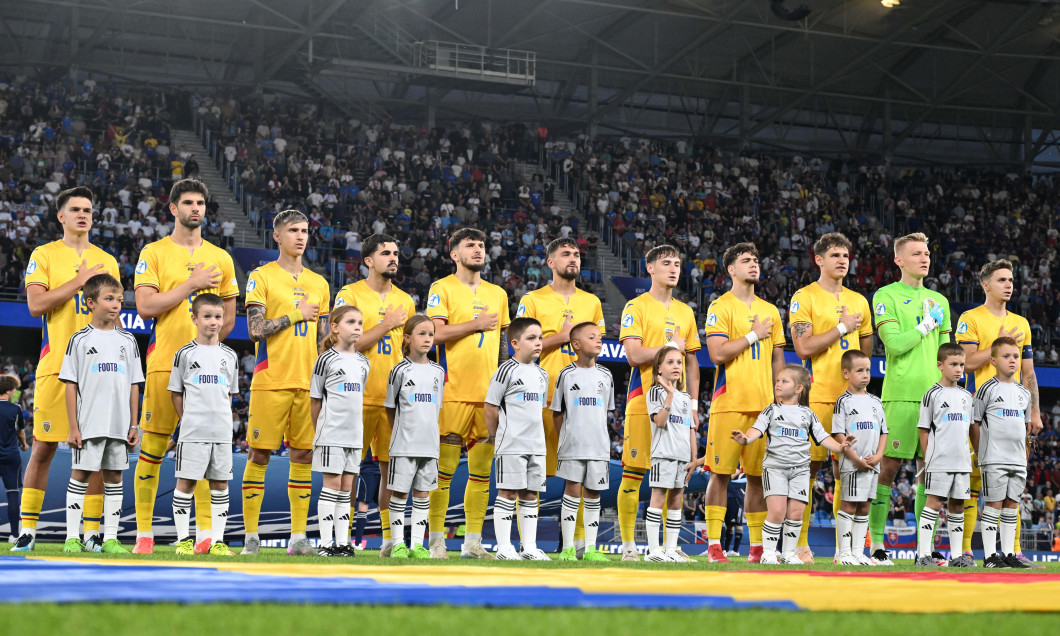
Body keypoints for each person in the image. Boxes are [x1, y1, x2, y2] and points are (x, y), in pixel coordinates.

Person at [132, 179, 239, 554]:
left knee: (208, 455)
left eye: (201, 203)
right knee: (153, 450)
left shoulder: (222, 258)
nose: (196, 208)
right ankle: (144, 535)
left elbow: (228, 317)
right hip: (163, 364)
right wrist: (192, 284)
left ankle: (207, 537)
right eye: (188, 202)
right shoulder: (155, 252)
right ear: (173, 208)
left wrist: (208, 347)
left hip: (208, 371)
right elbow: (145, 307)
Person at [14, 186, 119, 553]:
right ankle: (27, 530)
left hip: (100, 371)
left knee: (94, 453)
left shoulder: (107, 259)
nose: (83, 215)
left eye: (88, 209)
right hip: (56, 366)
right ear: (61, 216)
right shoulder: (44, 255)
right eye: (75, 209)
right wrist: (80, 281)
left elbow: (114, 315)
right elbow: (35, 305)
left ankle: (91, 534)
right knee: (43, 447)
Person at [241, 209, 331, 556]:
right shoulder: (261, 276)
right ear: (276, 235)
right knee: (259, 453)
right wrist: (296, 314)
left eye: (305, 230)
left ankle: (297, 538)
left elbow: (323, 341)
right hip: (271, 379)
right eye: (293, 230)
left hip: (308, 384)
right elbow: (254, 329)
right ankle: (251, 536)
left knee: (303, 455)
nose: (301, 236)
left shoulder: (319, 283)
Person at [788, 233, 873, 562]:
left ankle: (846, 550)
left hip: (851, 402)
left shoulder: (860, 301)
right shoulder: (804, 297)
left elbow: (865, 355)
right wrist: (840, 327)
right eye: (835, 254)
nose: (842, 260)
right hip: (817, 396)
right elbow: (803, 347)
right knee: (806, 470)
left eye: (846, 255)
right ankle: (800, 545)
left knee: (848, 472)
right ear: (818, 259)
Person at [517, 238, 605, 557]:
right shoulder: (533, 299)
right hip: (540, 398)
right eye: (565, 254)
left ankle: (577, 543)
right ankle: (528, 544)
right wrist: (564, 336)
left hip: (580, 403)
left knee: (580, 476)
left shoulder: (592, 303)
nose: (573, 259)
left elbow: (595, 348)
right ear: (550, 262)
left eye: (577, 254)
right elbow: (523, 347)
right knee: (535, 473)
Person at [426, 228, 510, 559]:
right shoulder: (441, 288)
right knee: (443, 471)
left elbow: (503, 344)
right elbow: (434, 334)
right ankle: (436, 542)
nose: (477, 250)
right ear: (454, 255)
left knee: (481, 473)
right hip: (452, 390)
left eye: (481, 244)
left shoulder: (499, 293)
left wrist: (505, 384)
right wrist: (476, 324)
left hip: (488, 395)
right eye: (470, 246)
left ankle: (472, 543)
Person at [868, 233, 951, 566]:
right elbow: (894, 344)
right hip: (900, 395)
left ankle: (924, 551)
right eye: (917, 253)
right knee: (887, 469)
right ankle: (875, 546)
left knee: (927, 474)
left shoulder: (940, 300)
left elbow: (946, 355)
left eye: (927, 252)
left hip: (935, 398)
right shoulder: (886, 295)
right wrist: (928, 324)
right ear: (899, 260)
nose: (925, 258)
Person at [956, 260, 1044, 568]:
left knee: (1012, 483)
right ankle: (967, 550)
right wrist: (997, 342)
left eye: (1011, 280)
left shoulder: (1021, 323)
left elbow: (1029, 372)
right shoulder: (971, 318)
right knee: (973, 481)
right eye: (1002, 279)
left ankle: (1014, 552)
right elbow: (965, 363)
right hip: (980, 412)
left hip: (1014, 414)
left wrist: (1034, 410)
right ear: (986, 285)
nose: (1009, 284)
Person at [334, 234, 416, 557]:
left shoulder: (406, 300)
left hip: (394, 399)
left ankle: (389, 541)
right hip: (356, 395)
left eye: (396, 253)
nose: (394, 258)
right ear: (368, 260)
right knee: (348, 470)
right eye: (386, 253)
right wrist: (386, 324)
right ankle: (343, 538)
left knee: (391, 471)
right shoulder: (350, 293)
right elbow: (342, 341)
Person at [617, 245, 700, 561]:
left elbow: (691, 362)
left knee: (675, 477)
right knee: (635, 473)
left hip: (678, 406)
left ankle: (669, 548)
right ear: (649, 268)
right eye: (666, 263)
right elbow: (634, 356)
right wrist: (670, 346)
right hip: (644, 399)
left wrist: (692, 405)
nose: (674, 268)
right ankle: (628, 548)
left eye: (677, 263)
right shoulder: (636, 306)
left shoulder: (686, 312)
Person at [703, 243, 784, 563]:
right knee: (719, 474)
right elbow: (717, 354)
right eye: (746, 260)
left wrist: (781, 400)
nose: (753, 264)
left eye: (756, 259)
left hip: (764, 406)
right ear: (731, 270)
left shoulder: (771, 310)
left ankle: (756, 548)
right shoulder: (719, 306)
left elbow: (778, 358)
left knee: (756, 478)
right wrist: (753, 335)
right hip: (730, 402)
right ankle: (713, 546)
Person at [58, 274, 144, 553]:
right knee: (81, 474)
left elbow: (134, 384)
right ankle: (73, 536)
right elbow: (71, 386)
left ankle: (110, 538)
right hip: (90, 422)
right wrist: (73, 427)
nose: (116, 304)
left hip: (119, 425)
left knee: (115, 478)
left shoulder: (128, 340)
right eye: (109, 299)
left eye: (119, 299)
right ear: (90, 303)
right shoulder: (80, 339)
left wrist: (134, 423)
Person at [731, 365, 851, 564]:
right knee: (777, 511)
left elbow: (822, 437)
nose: (778, 384)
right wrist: (745, 439)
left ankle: (788, 554)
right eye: (777, 380)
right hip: (775, 469)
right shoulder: (771, 410)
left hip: (801, 471)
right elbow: (755, 429)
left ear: (799, 389)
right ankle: (768, 554)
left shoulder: (808, 414)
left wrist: (840, 447)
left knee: (796, 513)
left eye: (784, 381)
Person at [166, 293, 240, 556]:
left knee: (220, 484)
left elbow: (230, 394)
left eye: (218, 317)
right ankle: (184, 540)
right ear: (194, 318)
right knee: (186, 483)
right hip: (193, 430)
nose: (213, 322)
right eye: (207, 316)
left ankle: (217, 542)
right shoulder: (184, 354)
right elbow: (176, 392)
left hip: (220, 431)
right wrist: (187, 420)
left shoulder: (230, 356)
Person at [485, 317, 549, 560]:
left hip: (536, 444)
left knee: (531, 494)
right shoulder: (505, 371)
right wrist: (495, 436)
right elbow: (490, 406)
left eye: (540, 338)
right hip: (511, 444)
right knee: (508, 493)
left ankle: (529, 548)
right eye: (531, 338)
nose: (538, 343)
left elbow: (538, 410)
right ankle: (503, 547)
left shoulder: (542, 374)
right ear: (515, 343)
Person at [550, 321, 614, 562]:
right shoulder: (566, 374)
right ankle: (567, 548)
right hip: (573, 447)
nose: (599, 340)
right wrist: (564, 439)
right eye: (592, 337)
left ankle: (590, 548)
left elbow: (605, 413)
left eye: (599, 337)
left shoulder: (606, 375)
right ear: (576, 344)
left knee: (594, 494)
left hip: (598, 446)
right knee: (572, 492)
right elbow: (557, 412)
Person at [384, 315, 445, 559]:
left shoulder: (438, 372)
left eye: (430, 334)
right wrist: (400, 431)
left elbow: (435, 408)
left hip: (429, 445)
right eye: (421, 334)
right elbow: (390, 407)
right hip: (403, 444)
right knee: (399, 494)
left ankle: (418, 545)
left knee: (422, 495)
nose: (427, 339)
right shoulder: (399, 370)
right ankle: (398, 543)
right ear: (407, 338)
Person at [310, 305, 369, 557]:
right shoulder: (325, 359)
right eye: (351, 322)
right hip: (331, 434)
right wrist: (320, 432)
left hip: (355, 435)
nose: (357, 327)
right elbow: (315, 400)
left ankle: (343, 543)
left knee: (346, 489)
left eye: (360, 322)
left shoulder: (365, 362)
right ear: (334, 328)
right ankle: (324, 544)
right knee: (332, 487)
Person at [972, 337, 1036, 569]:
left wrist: (1025, 457)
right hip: (994, 458)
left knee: (1012, 505)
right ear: (993, 361)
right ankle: (990, 556)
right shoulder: (986, 389)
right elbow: (975, 423)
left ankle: (1009, 554)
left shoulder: (1024, 393)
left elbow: (1025, 428)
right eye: (1006, 356)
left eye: (1016, 356)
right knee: (994, 504)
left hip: (1018, 459)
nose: (1012, 360)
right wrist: (980, 452)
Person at [915, 343, 974, 568]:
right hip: (938, 460)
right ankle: (923, 555)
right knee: (933, 504)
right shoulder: (932, 395)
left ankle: (957, 556)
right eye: (953, 364)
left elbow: (968, 429)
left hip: (962, 461)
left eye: (961, 365)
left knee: (957, 505)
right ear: (940, 365)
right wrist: (928, 458)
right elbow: (924, 429)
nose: (958, 369)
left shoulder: (966, 396)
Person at [831, 350, 888, 565]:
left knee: (865, 506)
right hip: (853, 464)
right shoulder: (843, 402)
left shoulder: (875, 401)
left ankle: (858, 552)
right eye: (860, 370)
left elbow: (884, 431)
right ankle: (843, 552)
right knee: (849, 506)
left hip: (873, 463)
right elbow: (838, 434)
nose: (865, 375)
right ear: (846, 373)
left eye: (867, 370)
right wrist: (856, 459)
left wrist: (879, 455)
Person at [644, 346, 697, 562]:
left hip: (682, 457)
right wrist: (669, 396)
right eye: (670, 362)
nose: (676, 366)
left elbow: (691, 428)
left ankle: (671, 550)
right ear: (658, 369)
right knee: (657, 499)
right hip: (663, 454)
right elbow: (660, 421)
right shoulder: (655, 392)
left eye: (678, 362)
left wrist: (694, 459)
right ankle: (653, 551)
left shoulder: (685, 398)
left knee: (676, 501)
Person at [0, 375, 28, 541]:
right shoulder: (15, 409)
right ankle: (14, 535)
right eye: (14, 390)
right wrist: (24, 444)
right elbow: (21, 432)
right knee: (12, 495)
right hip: (11, 455)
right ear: (9, 390)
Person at [353, 456, 380, 550]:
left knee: (363, 505)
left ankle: (358, 543)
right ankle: (387, 542)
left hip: (368, 470)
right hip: (383, 469)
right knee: (383, 507)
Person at [722, 473, 746, 557]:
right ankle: (726, 549)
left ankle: (736, 550)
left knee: (738, 523)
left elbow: (734, 473)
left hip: (737, 495)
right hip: (729, 495)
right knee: (729, 524)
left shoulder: (738, 464)